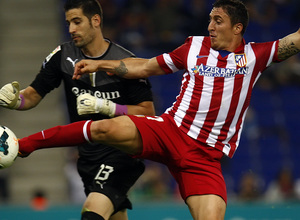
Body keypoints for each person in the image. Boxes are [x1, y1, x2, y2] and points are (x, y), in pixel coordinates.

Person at [8, 0, 300, 219]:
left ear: (237, 28)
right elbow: (146, 66)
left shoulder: (256, 56)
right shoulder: (193, 47)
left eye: (218, 20)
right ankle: (23, 145)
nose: (210, 26)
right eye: (210, 19)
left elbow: (295, 40)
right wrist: (101, 64)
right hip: (169, 130)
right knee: (103, 126)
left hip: (204, 157)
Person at [0, 0, 154, 220]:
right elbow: (32, 96)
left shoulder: (125, 62)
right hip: (87, 157)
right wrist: (14, 101)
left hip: (122, 152)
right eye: (68, 22)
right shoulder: (62, 56)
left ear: (96, 21)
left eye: (77, 21)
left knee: (92, 213)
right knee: (113, 214)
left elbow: (147, 112)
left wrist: (107, 107)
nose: (71, 29)